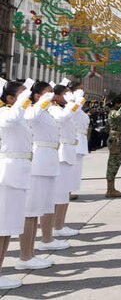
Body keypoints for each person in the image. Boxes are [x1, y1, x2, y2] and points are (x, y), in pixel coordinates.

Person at [22, 80, 66, 261]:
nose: (53, 96)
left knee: (43, 206)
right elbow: (30, 118)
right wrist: (41, 102)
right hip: (38, 163)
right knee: (30, 210)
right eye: (48, 93)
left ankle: (41, 244)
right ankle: (26, 256)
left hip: (48, 161)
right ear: (38, 95)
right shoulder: (34, 111)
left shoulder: (46, 112)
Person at [1, 79, 39, 282]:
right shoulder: (5, 113)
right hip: (8, 173)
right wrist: (22, 100)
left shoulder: (20, 115)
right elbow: (11, 118)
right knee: (2, 226)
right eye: (23, 94)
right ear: (10, 98)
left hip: (19, 171)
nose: (29, 98)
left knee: (7, 226)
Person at [47, 83, 79, 240]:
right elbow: (62, 118)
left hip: (68, 151)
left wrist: (74, 104)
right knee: (60, 192)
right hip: (61, 153)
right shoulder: (53, 109)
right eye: (65, 94)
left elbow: (74, 117)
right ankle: (57, 226)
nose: (68, 97)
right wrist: (72, 103)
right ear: (56, 96)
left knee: (65, 191)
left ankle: (60, 224)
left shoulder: (63, 108)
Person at [105, 93, 121, 198]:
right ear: (117, 104)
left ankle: (112, 188)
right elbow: (118, 115)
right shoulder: (113, 112)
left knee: (117, 163)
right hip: (116, 141)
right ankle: (110, 190)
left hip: (119, 140)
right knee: (113, 164)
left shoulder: (117, 111)